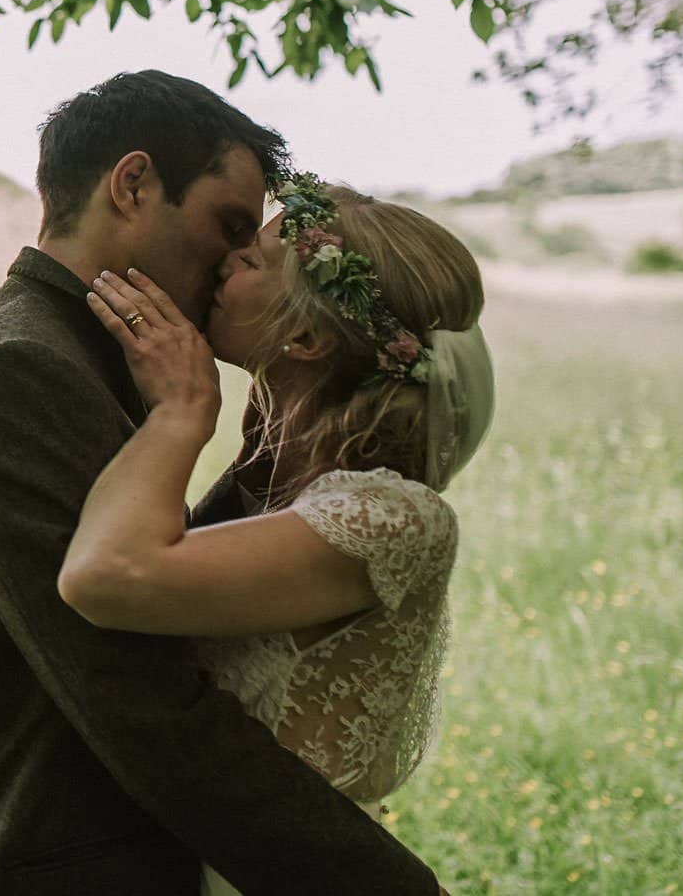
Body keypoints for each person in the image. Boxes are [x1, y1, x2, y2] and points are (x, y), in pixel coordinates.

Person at [0, 71, 447, 895]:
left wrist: (257, 453)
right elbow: (143, 700)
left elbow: (180, 609)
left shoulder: (97, 356)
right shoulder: (21, 370)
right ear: (133, 184)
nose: (232, 261)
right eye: (227, 224)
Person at [61, 175, 492, 896]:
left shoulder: (395, 519)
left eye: (253, 261)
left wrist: (183, 411)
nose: (227, 259)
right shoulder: (278, 479)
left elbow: (103, 575)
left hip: (287, 871)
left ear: (305, 337)